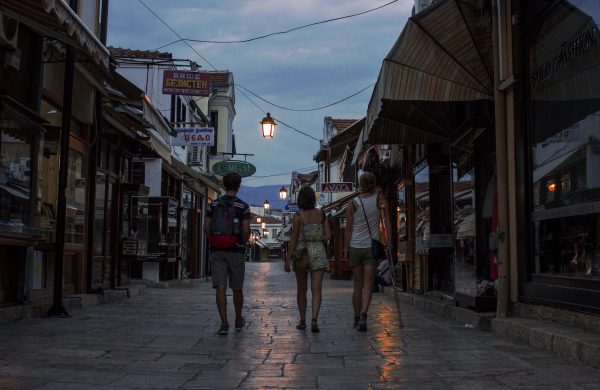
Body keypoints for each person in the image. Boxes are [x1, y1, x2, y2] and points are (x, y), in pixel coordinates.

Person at [204, 172, 251, 335]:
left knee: (220, 287)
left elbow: (206, 228)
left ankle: (224, 324)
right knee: (237, 287)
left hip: (218, 251)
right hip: (236, 251)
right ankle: (238, 320)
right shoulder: (243, 206)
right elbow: (245, 230)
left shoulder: (214, 204)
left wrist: (216, 240)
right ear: (238, 186)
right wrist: (241, 242)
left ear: (224, 185)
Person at [343, 170, 390, 331]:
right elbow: (387, 222)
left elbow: (348, 229)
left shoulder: (352, 204)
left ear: (361, 184)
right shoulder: (380, 199)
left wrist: (346, 248)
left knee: (357, 284)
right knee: (368, 284)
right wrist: (388, 240)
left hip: (356, 247)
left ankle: (356, 318)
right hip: (372, 246)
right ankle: (364, 314)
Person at [284, 186, 332, 333]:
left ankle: (302, 320)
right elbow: (328, 236)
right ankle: (314, 319)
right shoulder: (322, 215)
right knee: (317, 290)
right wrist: (317, 238)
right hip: (318, 252)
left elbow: (293, 239)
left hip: (302, 253)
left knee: (301, 290)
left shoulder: (298, 216)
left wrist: (288, 258)